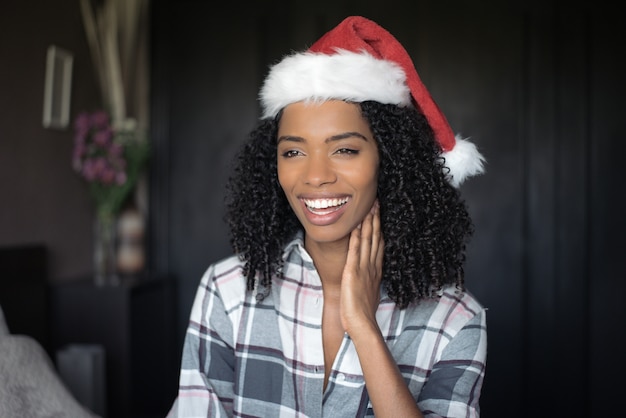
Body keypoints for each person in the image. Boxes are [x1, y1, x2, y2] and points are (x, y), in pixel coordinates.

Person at [167, 15, 487, 418]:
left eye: (345, 149)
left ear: (390, 161)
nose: (315, 176)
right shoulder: (227, 292)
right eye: (293, 152)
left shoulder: (455, 320)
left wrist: (364, 328)